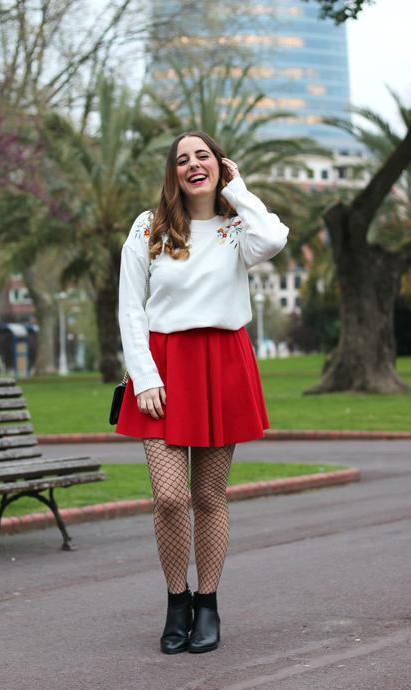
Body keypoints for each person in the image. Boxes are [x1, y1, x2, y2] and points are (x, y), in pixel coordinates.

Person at [116, 130, 289, 654]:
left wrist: (239, 189)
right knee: (170, 498)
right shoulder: (149, 227)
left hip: (222, 364)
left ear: (220, 165)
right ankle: (177, 601)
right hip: (163, 370)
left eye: (204, 156)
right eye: (182, 159)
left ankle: (208, 605)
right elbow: (130, 307)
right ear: (173, 172)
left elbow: (275, 238)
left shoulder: (239, 228)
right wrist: (144, 377)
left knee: (210, 497)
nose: (193, 165)